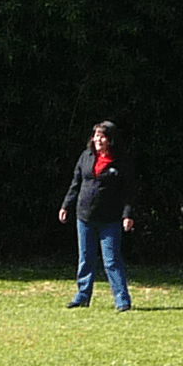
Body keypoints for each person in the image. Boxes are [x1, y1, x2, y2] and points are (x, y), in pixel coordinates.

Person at [59, 121, 136, 312]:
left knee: (111, 261)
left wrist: (127, 215)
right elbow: (75, 183)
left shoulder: (121, 162)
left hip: (110, 220)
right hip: (84, 216)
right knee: (85, 259)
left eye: (102, 136)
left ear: (111, 139)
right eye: (95, 136)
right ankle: (82, 296)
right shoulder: (86, 156)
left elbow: (128, 191)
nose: (98, 140)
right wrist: (65, 206)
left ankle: (122, 300)